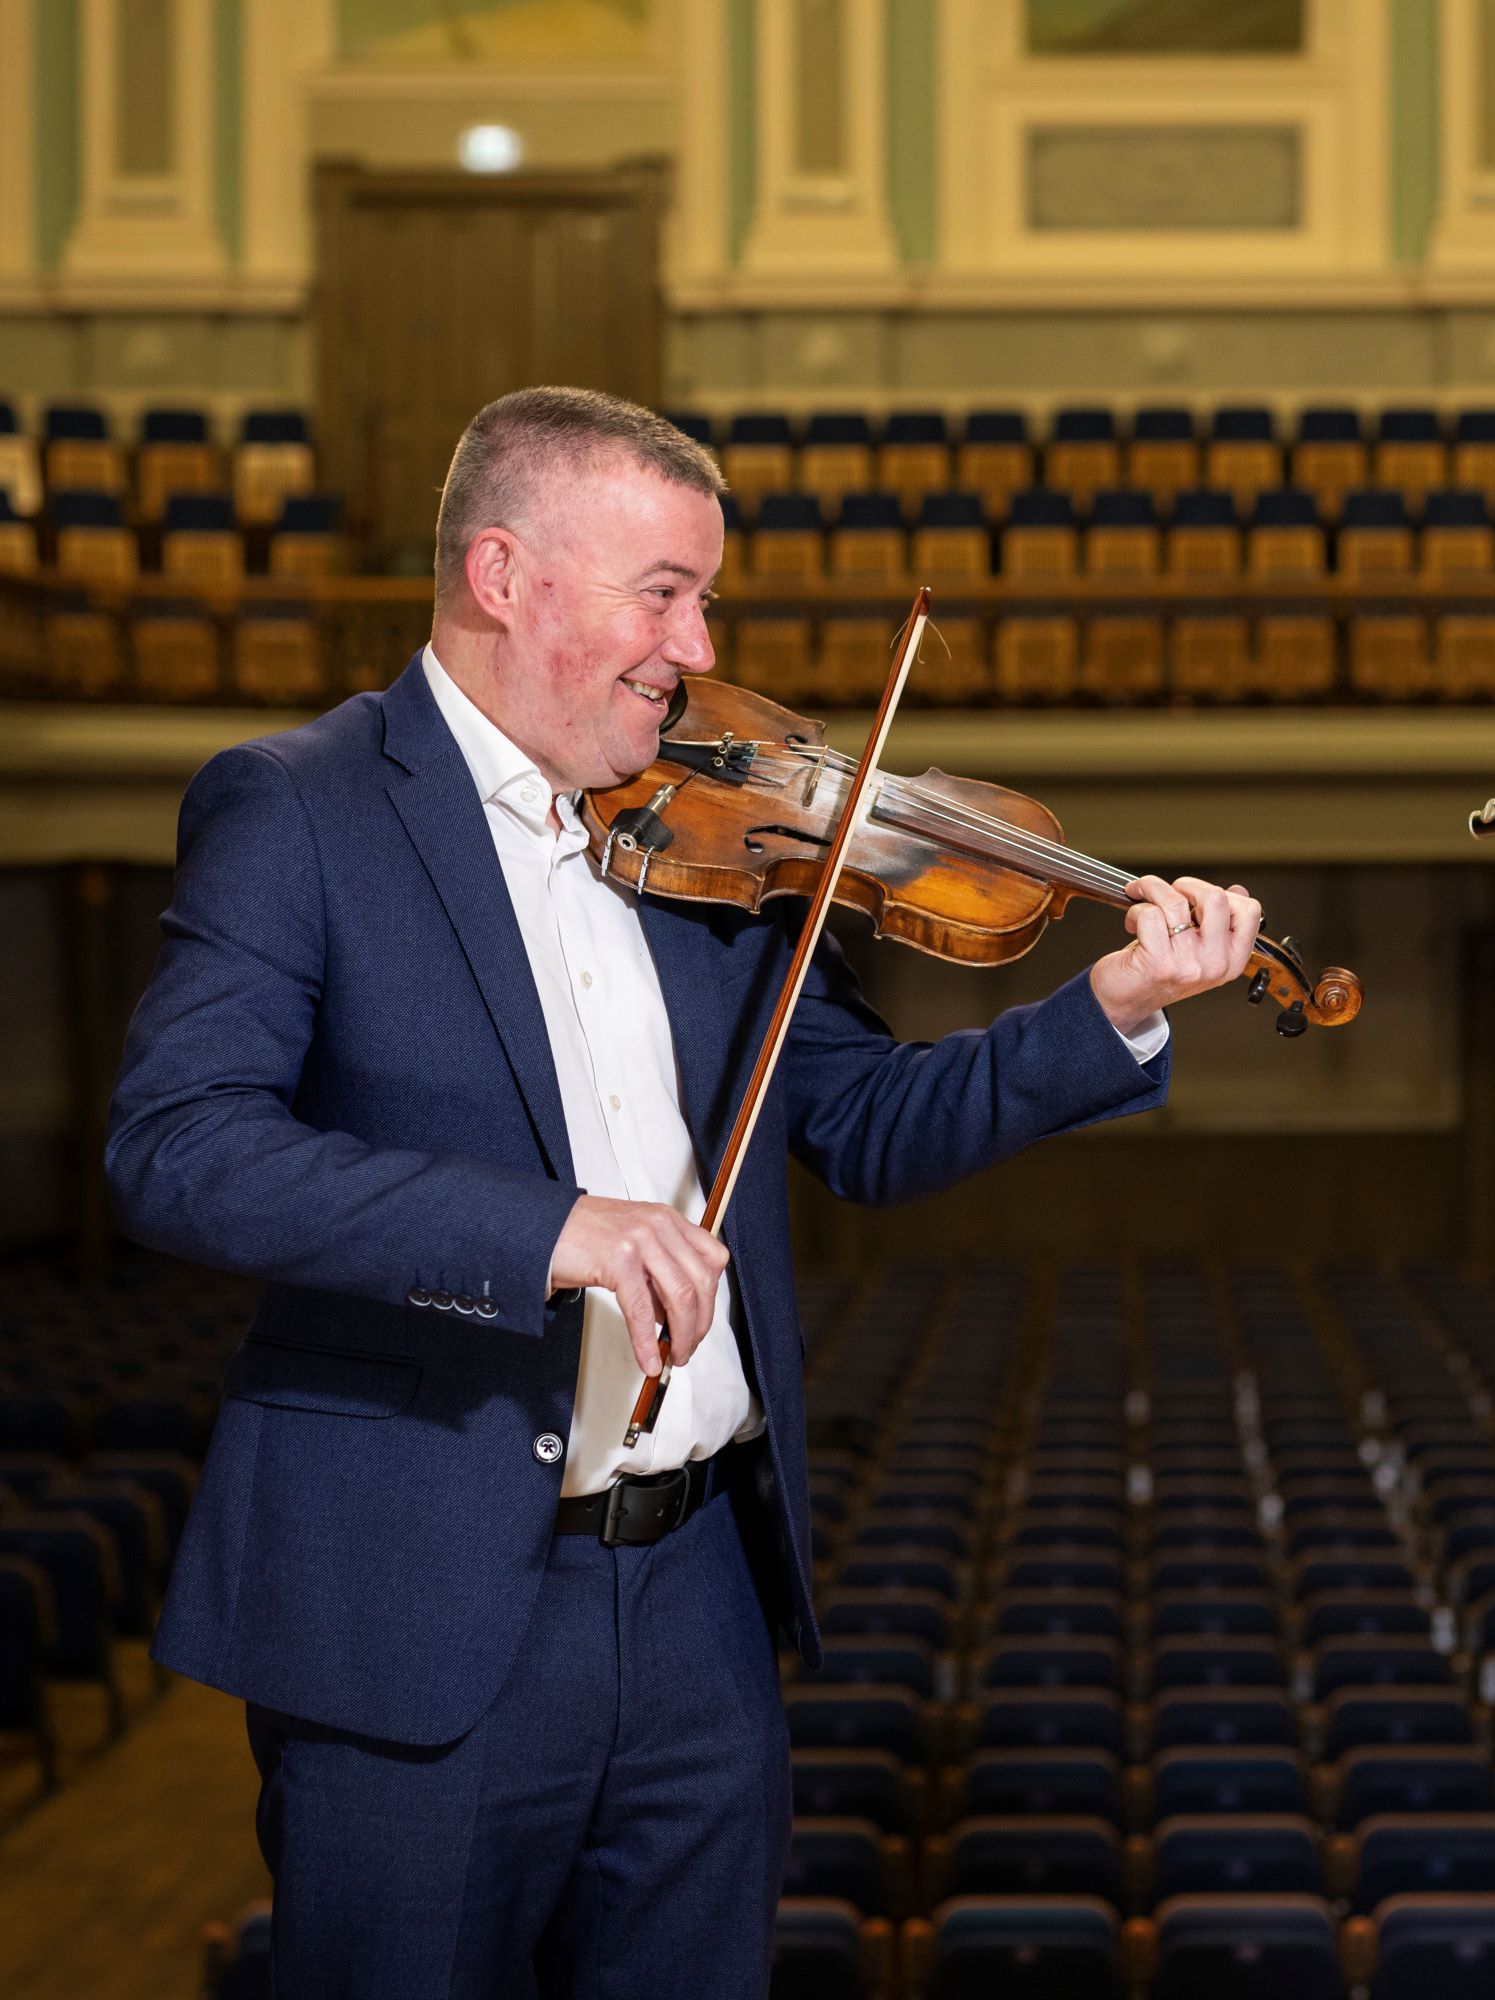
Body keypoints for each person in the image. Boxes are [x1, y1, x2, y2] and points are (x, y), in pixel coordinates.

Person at [106, 386, 1264, 1999]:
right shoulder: (300, 806)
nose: (700, 647)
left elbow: (862, 1123)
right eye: (664, 593)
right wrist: (548, 1232)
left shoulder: (706, 832)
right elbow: (182, 1147)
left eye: (706, 596)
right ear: (506, 575)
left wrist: (1115, 1012)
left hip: (703, 1597)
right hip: (417, 1601)